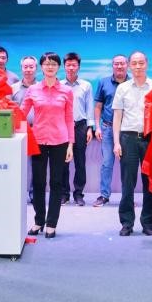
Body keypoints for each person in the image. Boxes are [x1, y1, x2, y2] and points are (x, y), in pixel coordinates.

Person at [20, 52, 74, 238]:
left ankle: (51, 223)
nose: (50, 67)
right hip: (39, 141)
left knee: (57, 183)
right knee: (38, 182)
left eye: (53, 64)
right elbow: (21, 113)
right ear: (41, 67)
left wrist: (70, 144)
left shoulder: (66, 91)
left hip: (60, 141)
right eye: (46, 64)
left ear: (58, 67)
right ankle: (38, 221)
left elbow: (69, 119)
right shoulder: (33, 90)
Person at [112, 51, 152, 236]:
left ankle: (148, 223)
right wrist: (116, 142)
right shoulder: (123, 88)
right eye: (134, 63)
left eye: (141, 63)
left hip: (150, 139)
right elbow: (117, 117)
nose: (138, 66)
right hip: (128, 138)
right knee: (127, 183)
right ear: (129, 65)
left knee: (149, 183)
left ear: (147, 64)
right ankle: (127, 222)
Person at [92, 54, 129, 207]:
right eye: (116, 64)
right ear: (112, 65)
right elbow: (98, 106)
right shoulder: (103, 82)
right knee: (107, 163)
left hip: (127, 129)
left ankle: (127, 197)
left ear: (127, 65)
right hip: (107, 128)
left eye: (122, 63)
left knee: (128, 165)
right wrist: (97, 126)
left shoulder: (133, 82)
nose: (119, 66)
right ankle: (104, 195)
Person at [61, 52, 94, 206]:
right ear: (64, 66)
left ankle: (79, 194)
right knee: (63, 162)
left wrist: (90, 128)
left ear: (79, 67)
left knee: (80, 162)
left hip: (80, 126)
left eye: (74, 65)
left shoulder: (86, 85)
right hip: (62, 127)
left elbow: (89, 107)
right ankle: (64, 194)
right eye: (68, 65)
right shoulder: (59, 85)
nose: (71, 68)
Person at [12, 55, 38, 204]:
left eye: (31, 67)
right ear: (21, 68)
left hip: (38, 130)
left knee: (37, 164)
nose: (28, 70)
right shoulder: (13, 88)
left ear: (36, 68)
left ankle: (35, 193)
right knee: (18, 163)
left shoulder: (42, 87)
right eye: (25, 67)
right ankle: (18, 192)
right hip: (19, 131)